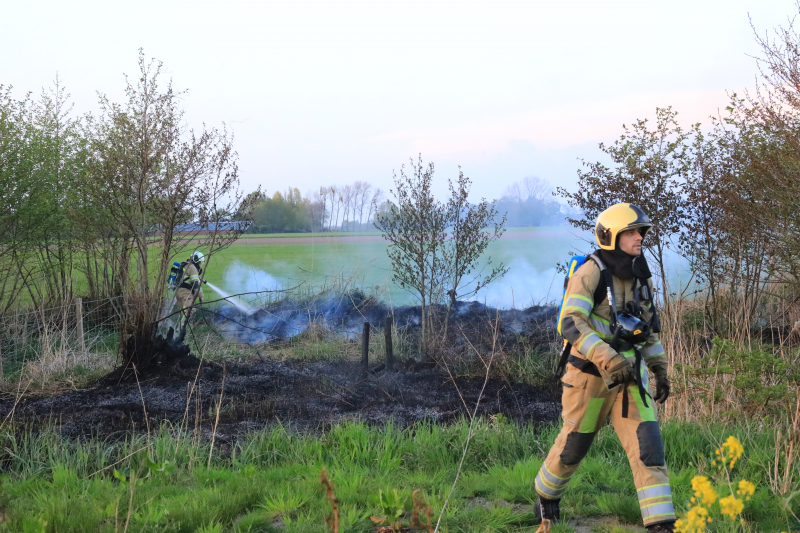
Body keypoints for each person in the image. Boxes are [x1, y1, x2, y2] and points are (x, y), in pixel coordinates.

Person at [534, 203, 675, 532]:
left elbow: (647, 329)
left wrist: (659, 369)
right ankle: (545, 496)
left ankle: (661, 524)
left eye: (641, 232)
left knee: (649, 447)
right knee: (574, 446)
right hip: (590, 378)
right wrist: (608, 358)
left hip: (631, 378)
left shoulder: (640, 273)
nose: (639, 238)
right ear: (611, 236)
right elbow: (571, 323)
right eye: (631, 232)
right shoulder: (590, 273)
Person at [176, 251, 206, 321]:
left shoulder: (185, 264)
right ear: (197, 261)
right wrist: (201, 296)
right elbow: (195, 285)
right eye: (200, 262)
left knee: (182, 312)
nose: (200, 264)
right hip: (186, 293)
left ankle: (178, 326)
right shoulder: (192, 268)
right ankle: (184, 327)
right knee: (189, 312)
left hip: (179, 292)